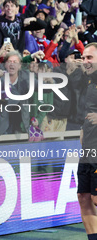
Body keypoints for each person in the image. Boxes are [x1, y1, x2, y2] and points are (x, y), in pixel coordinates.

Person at [78, 42, 97, 240]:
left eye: (89, 58)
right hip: (89, 148)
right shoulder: (89, 81)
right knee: (84, 196)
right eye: (83, 58)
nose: (85, 61)